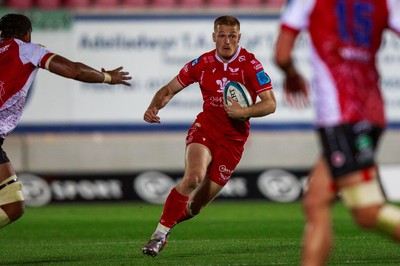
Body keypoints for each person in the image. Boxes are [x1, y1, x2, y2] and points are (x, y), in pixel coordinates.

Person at [274, 1, 400, 265]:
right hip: (372, 110)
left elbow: (282, 55)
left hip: (341, 117)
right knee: (316, 200)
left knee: (366, 212)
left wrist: (292, 74)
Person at [142, 15, 276, 257]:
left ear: (239, 38)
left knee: (195, 207)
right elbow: (169, 89)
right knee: (193, 177)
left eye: (232, 36)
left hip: (234, 140)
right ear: (214, 36)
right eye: (222, 35)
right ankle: (158, 235)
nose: (227, 41)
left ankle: (168, 225)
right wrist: (154, 107)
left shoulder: (250, 65)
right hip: (205, 129)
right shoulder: (202, 63)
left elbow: (270, 104)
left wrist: (244, 111)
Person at [0, 13, 131, 229]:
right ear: (27, 34)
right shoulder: (26, 48)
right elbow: (74, 70)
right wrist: (107, 77)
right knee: (13, 206)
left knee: (13, 205)